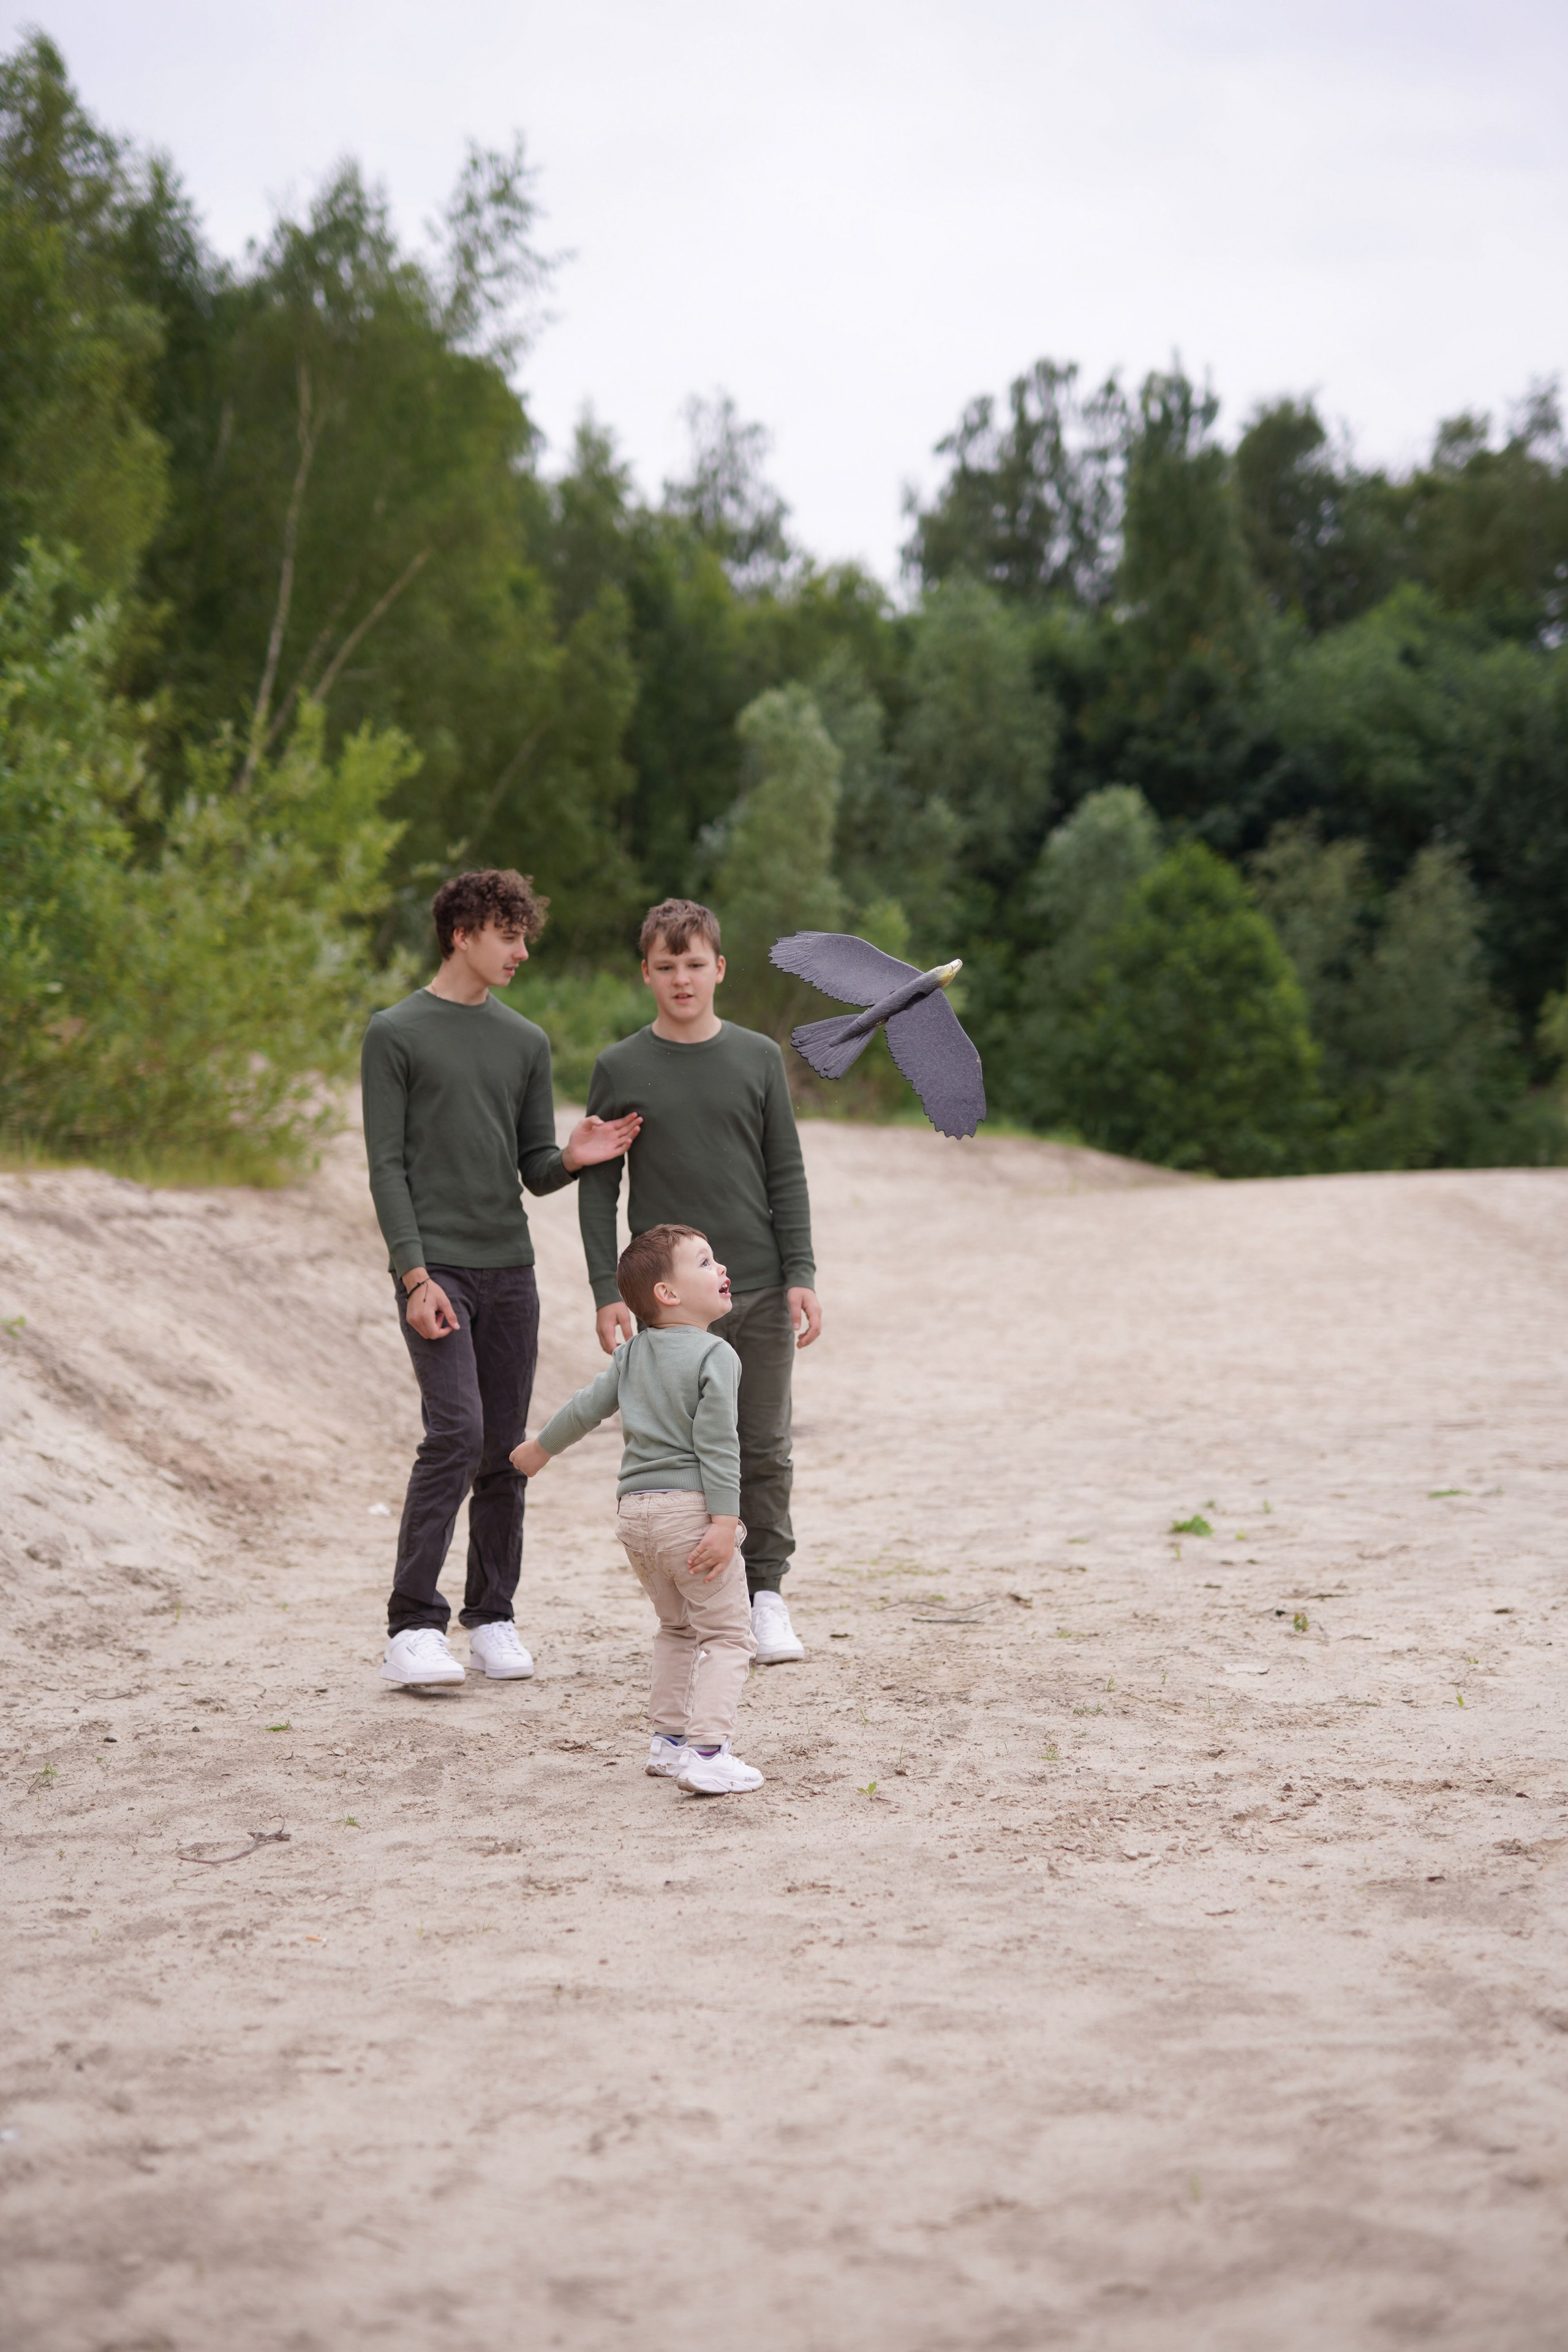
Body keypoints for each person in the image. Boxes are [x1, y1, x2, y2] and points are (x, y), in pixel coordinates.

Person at [361, 867, 641, 1689]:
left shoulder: (526, 1042)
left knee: (501, 1449)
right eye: (507, 934)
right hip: (436, 1267)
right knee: (454, 1432)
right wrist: (414, 1278)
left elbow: (532, 1169)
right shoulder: (396, 1033)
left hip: (509, 1272)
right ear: (462, 933)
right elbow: (385, 1168)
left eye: (525, 935)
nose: (521, 950)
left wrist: (571, 1159)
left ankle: (492, 1618)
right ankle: (413, 1625)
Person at [578, 899, 821, 1666]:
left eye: (693, 964)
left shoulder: (755, 1058)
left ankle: (767, 1596)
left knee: (763, 1445)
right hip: (669, 1306)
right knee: (683, 1456)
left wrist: (801, 1272)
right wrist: (604, 1288)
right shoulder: (621, 1067)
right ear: (645, 973)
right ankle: (700, 1599)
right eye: (664, 966)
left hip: (755, 1286)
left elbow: (785, 1171)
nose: (680, 979)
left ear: (719, 968)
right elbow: (597, 1187)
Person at [511, 1223, 763, 1795]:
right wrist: (725, 1523)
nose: (721, 1268)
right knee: (726, 1636)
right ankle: (708, 1751)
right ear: (668, 1295)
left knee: (676, 1628)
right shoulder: (715, 1354)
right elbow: (719, 1443)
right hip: (691, 1513)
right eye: (704, 1262)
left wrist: (537, 1449)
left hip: (636, 1515)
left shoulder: (633, 1356)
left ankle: (668, 1744)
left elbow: (585, 1408)